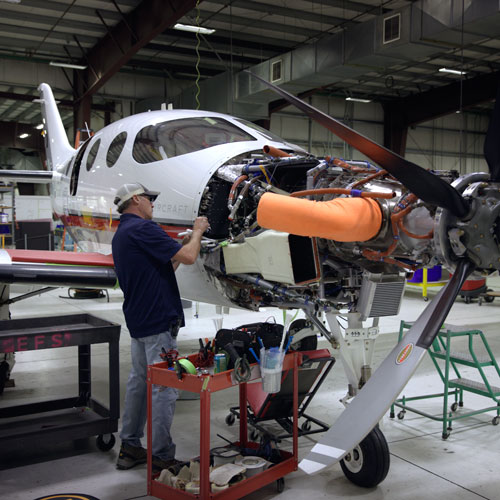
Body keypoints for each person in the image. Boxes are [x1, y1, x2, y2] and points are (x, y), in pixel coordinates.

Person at [111, 182, 209, 472]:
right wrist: (199, 232)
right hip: (157, 320)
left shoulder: (124, 233)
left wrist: (185, 242)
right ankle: (162, 457)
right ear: (137, 200)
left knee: (140, 382)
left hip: (140, 318)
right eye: (150, 199)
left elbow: (167, 266)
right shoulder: (143, 229)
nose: (153, 203)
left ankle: (130, 446)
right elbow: (190, 258)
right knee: (164, 389)